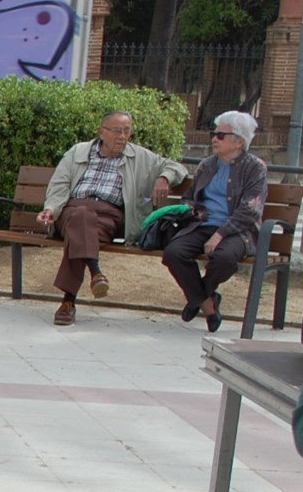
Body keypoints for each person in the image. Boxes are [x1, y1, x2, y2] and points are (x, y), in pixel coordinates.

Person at [37, 111, 187, 327]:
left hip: (108, 217)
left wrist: (164, 178)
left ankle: (70, 301)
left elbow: (177, 167)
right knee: (81, 217)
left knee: (82, 231)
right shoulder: (78, 152)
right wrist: (51, 209)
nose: (123, 137)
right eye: (117, 131)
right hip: (71, 211)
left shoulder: (140, 156)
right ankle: (93, 274)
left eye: (127, 131)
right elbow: (60, 184)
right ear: (101, 131)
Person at [163, 111, 268, 334]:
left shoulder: (255, 168)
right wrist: (193, 211)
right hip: (202, 225)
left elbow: (250, 209)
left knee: (223, 259)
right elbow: (190, 197)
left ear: (239, 141)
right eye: (214, 133)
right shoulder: (207, 165)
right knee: (174, 252)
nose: (213, 139)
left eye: (220, 135)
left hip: (238, 230)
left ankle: (197, 298)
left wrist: (220, 234)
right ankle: (207, 303)